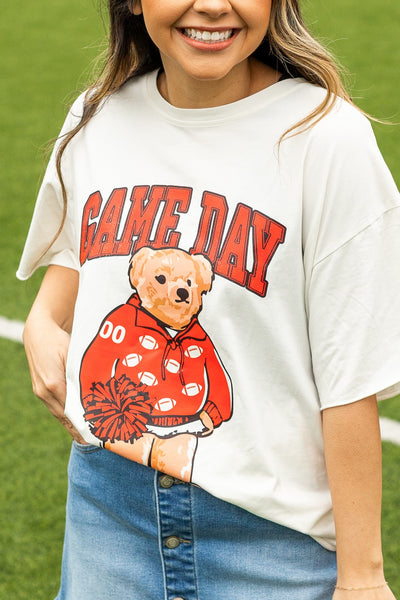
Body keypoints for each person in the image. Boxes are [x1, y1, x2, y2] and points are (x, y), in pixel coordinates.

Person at [18, 1, 400, 598]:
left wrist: (362, 577)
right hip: (108, 513)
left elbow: (349, 376)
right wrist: (43, 322)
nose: (215, 6)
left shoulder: (326, 137)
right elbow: (80, 248)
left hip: (270, 538)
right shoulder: (97, 117)